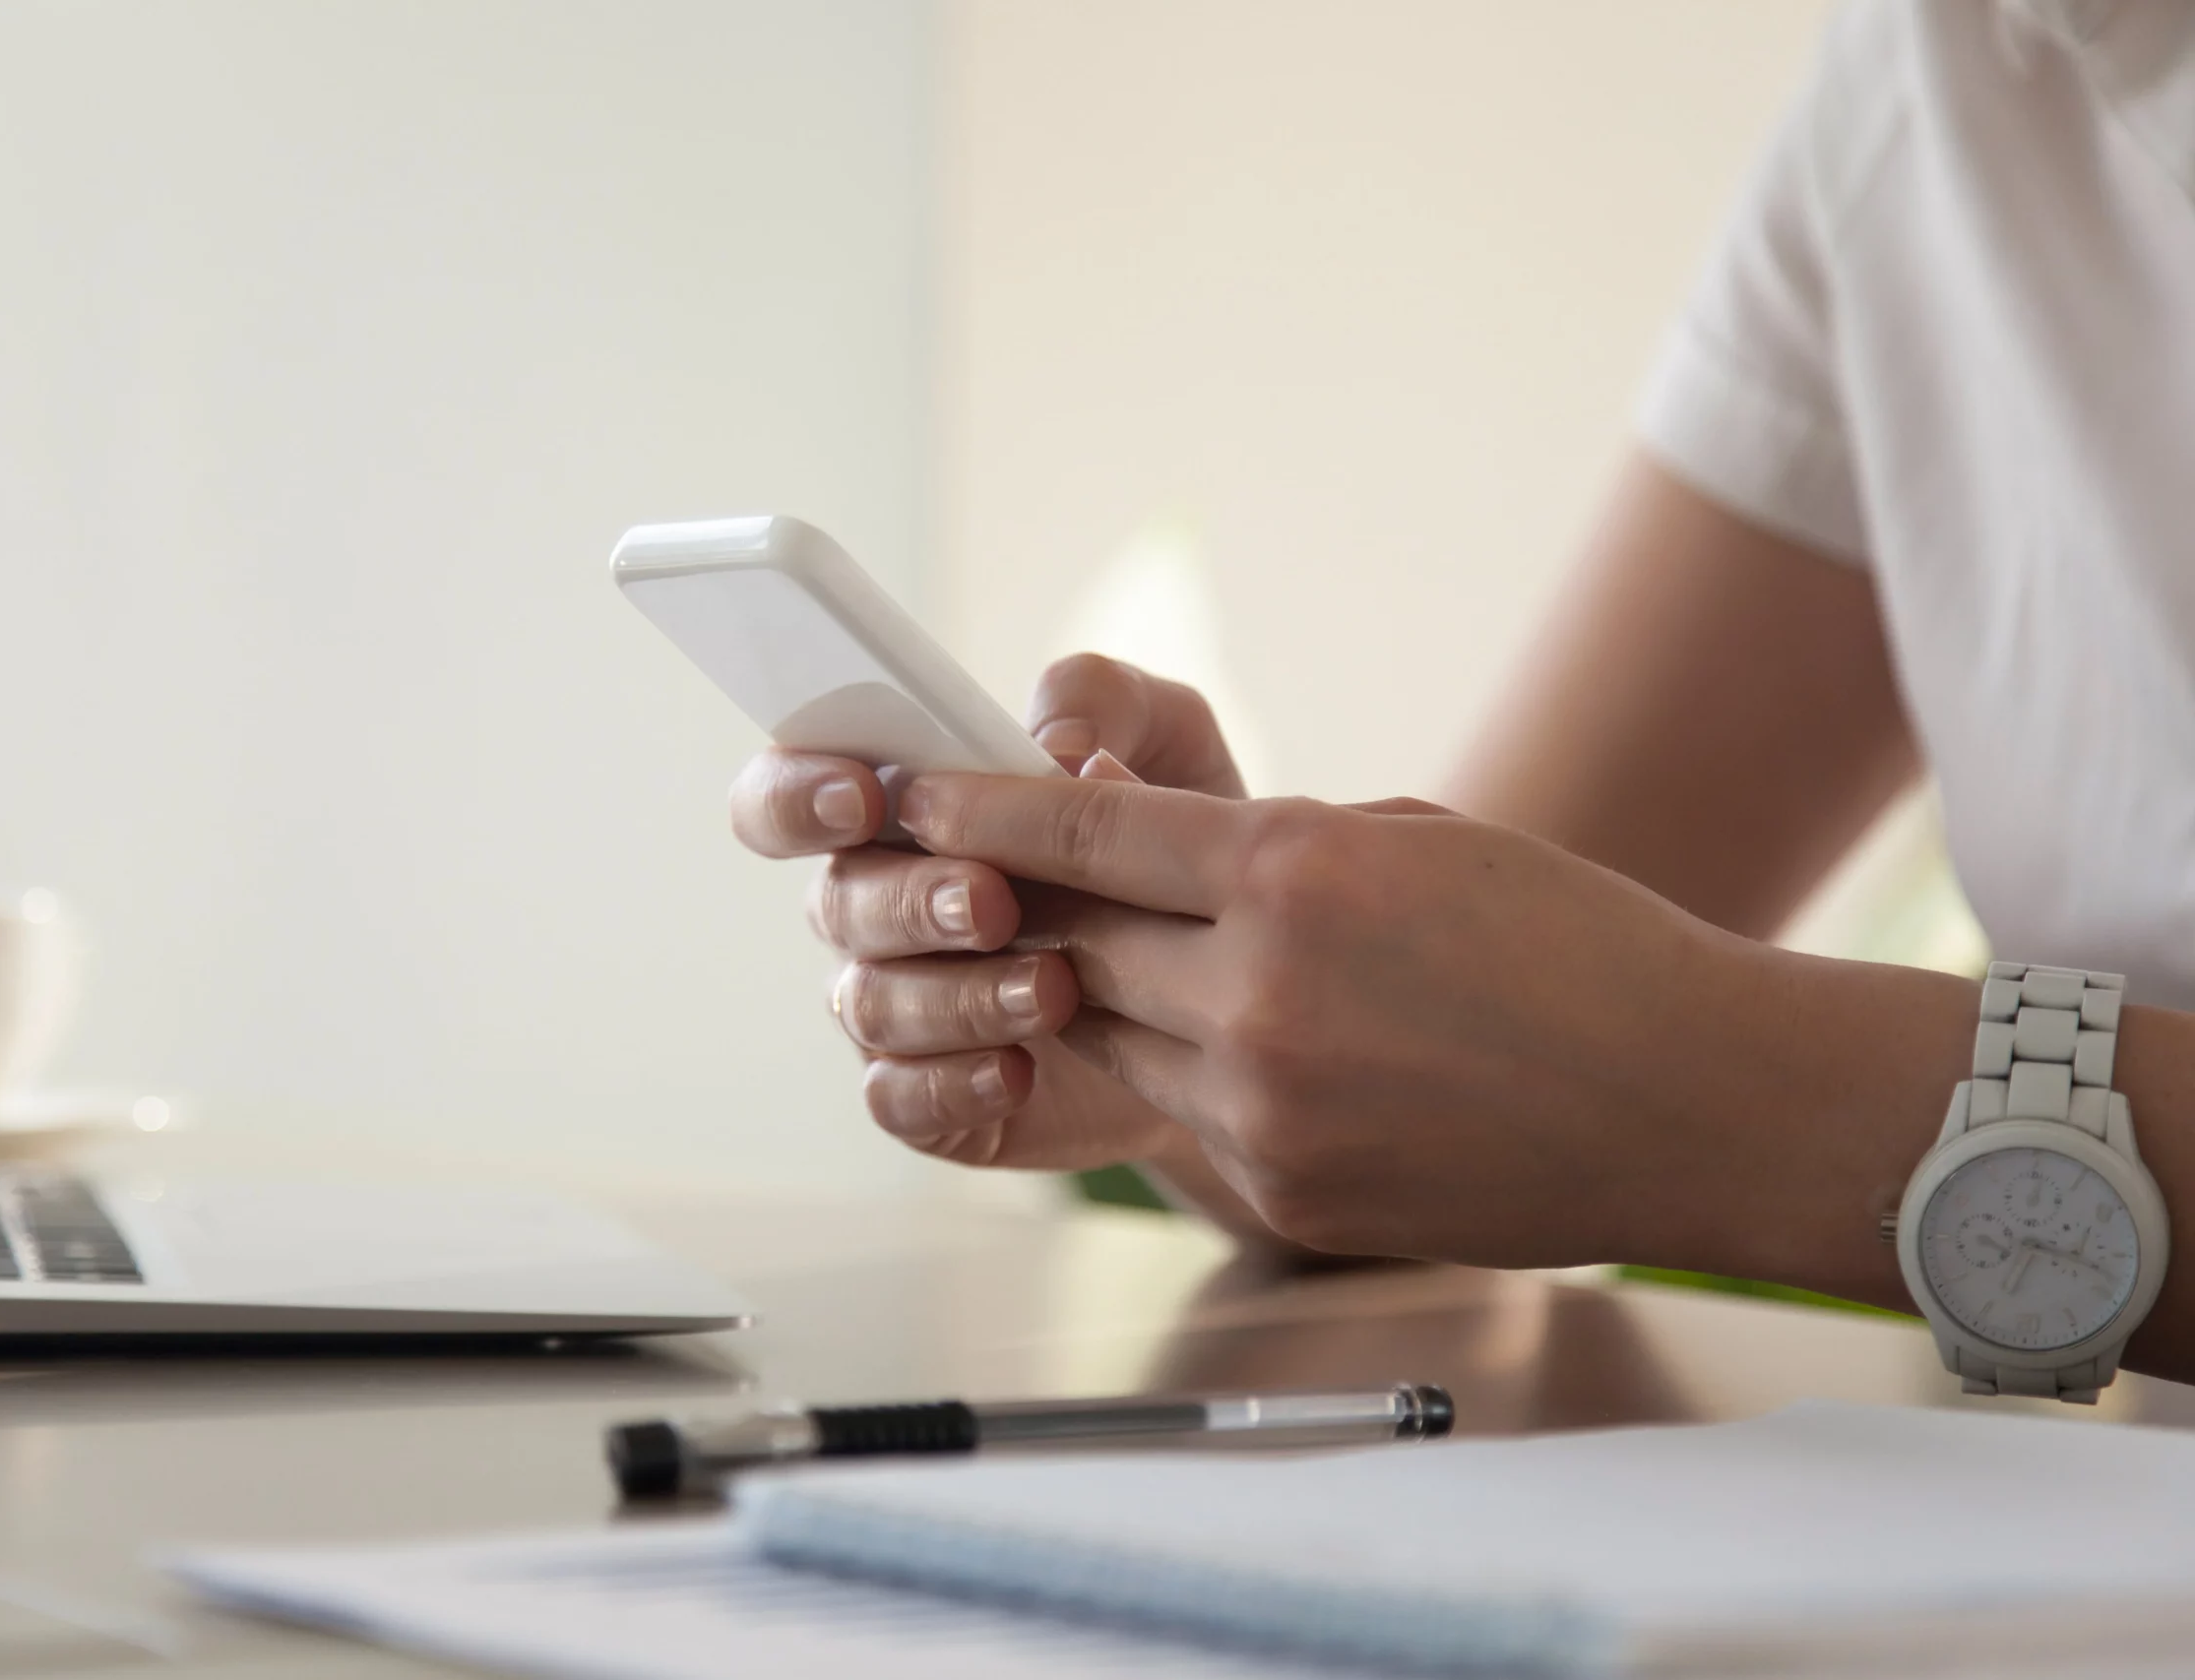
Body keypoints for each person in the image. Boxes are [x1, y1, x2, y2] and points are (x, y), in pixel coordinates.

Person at [730, 0, 2195, 1388]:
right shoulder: (1937, 88)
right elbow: (1484, 1073)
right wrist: (1191, 1037)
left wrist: (1727, 1099)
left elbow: (1621, 1067)